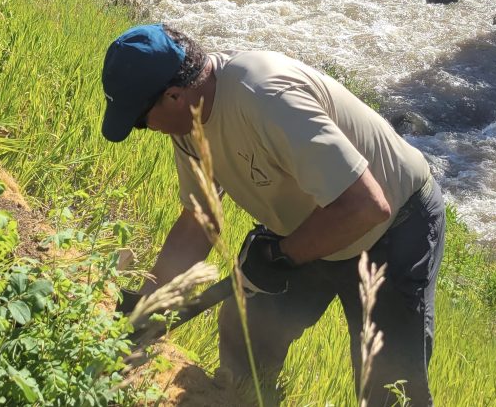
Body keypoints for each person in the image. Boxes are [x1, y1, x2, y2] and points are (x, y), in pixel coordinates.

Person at [102, 24, 445, 407]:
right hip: (311, 222)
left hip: (393, 228)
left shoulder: (264, 96)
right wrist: (150, 304)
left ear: (174, 95)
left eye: (139, 120)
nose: (144, 129)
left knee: (390, 384)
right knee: (247, 333)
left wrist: (281, 257)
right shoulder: (188, 123)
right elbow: (199, 219)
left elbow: (366, 205)